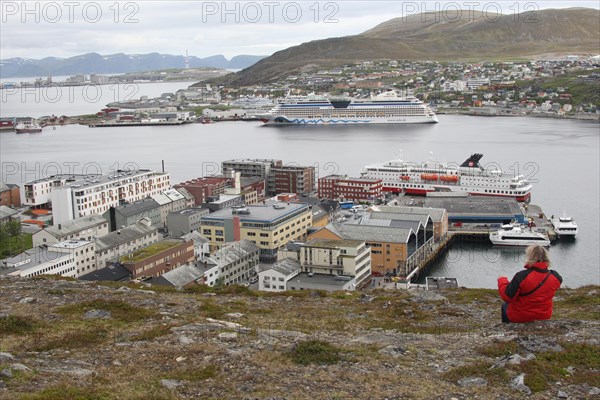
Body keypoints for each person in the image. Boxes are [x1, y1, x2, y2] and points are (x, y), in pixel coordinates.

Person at [497, 245, 562, 323]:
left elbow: (507, 297)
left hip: (520, 317)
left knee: (505, 305)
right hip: (544, 317)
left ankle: (507, 328)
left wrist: (502, 280)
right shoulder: (555, 277)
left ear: (530, 257)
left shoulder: (521, 276)